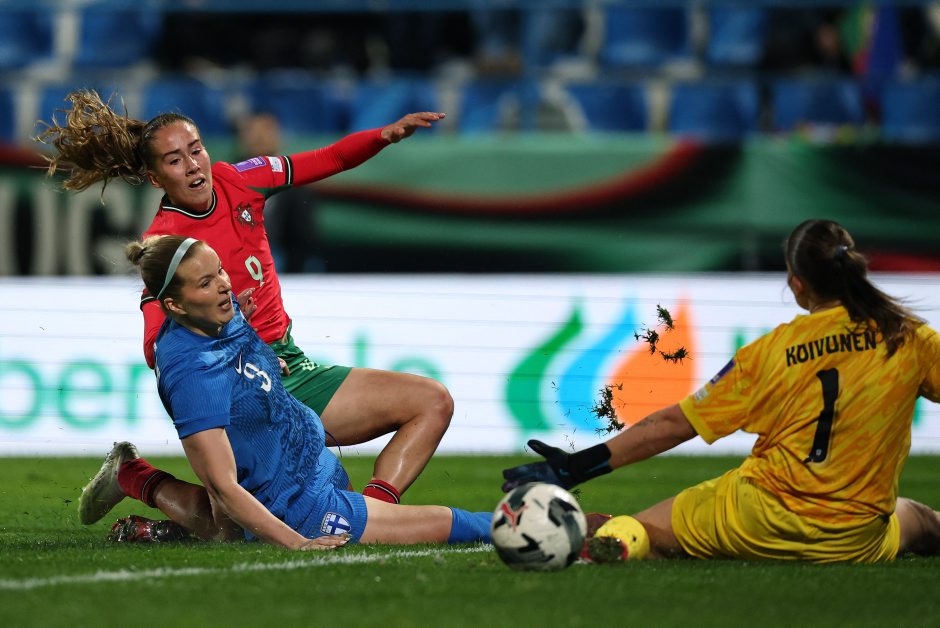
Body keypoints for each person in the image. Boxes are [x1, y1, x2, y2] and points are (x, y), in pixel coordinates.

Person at [37, 89, 451, 514]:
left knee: (431, 402)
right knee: (245, 524)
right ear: (156, 179)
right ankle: (135, 476)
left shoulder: (241, 179)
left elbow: (329, 158)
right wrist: (232, 336)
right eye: (175, 160)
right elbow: (155, 347)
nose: (192, 165)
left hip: (292, 367)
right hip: (240, 388)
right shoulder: (165, 247)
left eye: (195, 149)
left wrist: (383, 135)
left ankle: (375, 513)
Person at [503, 219, 940, 563]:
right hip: (853, 537)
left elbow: (673, 425)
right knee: (919, 520)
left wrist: (576, 467)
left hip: (756, 518)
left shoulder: (771, 352)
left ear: (797, 283)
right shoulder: (908, 337)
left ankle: (617, 540)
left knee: (642, 529)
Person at [97, 234, 491, 549]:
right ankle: (522, 518)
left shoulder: (218, 312)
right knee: (468, 527)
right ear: (175, 305)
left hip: (313, 465)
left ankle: (132, 475)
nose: (224, 285)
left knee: (227, 533)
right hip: (301, 508)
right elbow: (223, 487)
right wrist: (297, 543)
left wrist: (267, 362)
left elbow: (238, 350)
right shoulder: (193, 374)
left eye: (220, 271)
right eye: (206, 282)